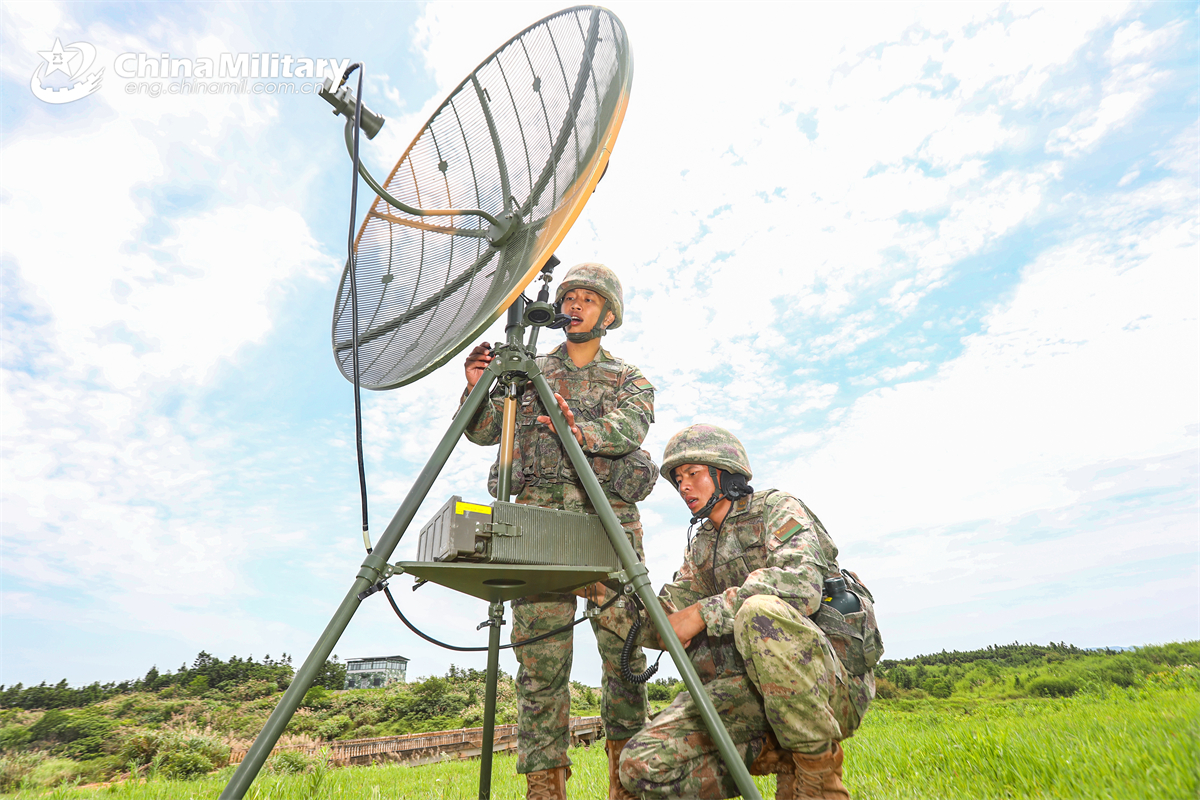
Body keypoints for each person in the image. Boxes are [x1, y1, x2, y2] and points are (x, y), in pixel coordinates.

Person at [460, 263, 658, 800]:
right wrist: (477, 388)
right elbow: (487, 431)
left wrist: (580, 430)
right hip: (538, 531)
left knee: (624, 659)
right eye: (569, 297)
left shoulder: (629, 379)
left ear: (608, 316)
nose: (574, 305)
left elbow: (630, 428)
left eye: (588, 299)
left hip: (606, 530)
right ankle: (545, 788)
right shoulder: (528, 370)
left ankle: (628, 783)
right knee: (539, 668)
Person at [619, 424, 883, 800]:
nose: (683, 487)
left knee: (759, 611)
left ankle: (818, 777)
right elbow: (668, 618)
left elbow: (801, 585)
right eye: (678, 480)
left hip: (827, 688)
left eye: (692, 473)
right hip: (750, 692)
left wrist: (704, 613)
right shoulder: (702, 545)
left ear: (726, 474)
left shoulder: (776, 508)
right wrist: (607, 594)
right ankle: (777, 754)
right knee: (638, 766)